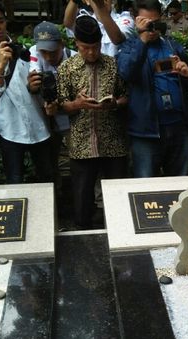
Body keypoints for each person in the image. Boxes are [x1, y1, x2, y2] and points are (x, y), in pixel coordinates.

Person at [0, 0, 53, 184]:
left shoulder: (24, 49)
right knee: (15, 178)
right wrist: (0, 65)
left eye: (1, 20)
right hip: (8, 126)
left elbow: (36, 87)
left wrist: (34, 87)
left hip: (37, 121)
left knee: (47, 176)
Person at [57, 16, 128, 229]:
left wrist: (114, 103)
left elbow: (126, 96)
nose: (91, 52)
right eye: (86, 48)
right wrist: (78, 104)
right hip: (81, 144)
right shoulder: (66, 68)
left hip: (112, 143)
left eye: (95, 47)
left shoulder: (113, 65)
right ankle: (83, 238)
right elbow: (61, 105)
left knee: (117, 196)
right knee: (82, 198)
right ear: (76, 44)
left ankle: (118, 233)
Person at [117, 0, 188, 178]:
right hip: (146, 132)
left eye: (154, 22)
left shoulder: (172, 45)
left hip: (178, 128)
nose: (151, 27)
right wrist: (142, 41)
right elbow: (126, 73)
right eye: (146, 23)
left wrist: (187, 74)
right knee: (145, 189)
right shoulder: (129, 46)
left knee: (180, 187)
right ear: (135, 19)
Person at [27, 21, 76, 187]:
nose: (48, 57)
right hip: (47, 121)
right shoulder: (34, 54)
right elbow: (33, 84)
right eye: (44, 52)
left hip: (73, 120)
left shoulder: (76, 58)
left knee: (79, 162)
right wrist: (32, 87)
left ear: (62, 44)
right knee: (49, 166)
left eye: (53, 52)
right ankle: (57, 200)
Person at [64, 0, 136, 57]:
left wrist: (101, 7)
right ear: (89, 2)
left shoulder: (124, 19)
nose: (102, 1)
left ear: (113, 2)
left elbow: (117, 39)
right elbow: (68, 24)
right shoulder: (86, 20)